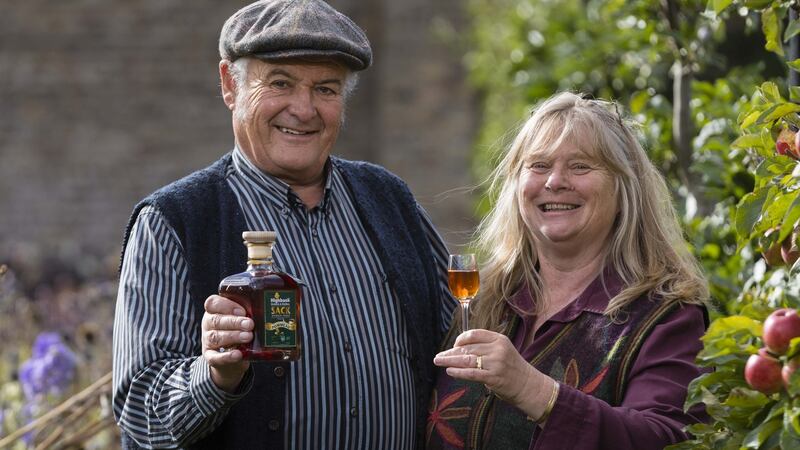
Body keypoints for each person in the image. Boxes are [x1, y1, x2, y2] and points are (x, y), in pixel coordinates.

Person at [112, 0, 457, 448]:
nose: (304, 109)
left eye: (326, 89)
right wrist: (215, 375)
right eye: (280, 83)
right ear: (229, 86)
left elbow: (462, 337)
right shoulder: (173, 222)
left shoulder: (389, 199)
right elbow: (140, 416)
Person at [427, 92, 710, 449]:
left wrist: (536, 391)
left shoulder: (666, 317)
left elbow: (669, 439)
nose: (555, 181)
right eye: (539, 165)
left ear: (624, 189)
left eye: (580, 166)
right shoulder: (485, 303)